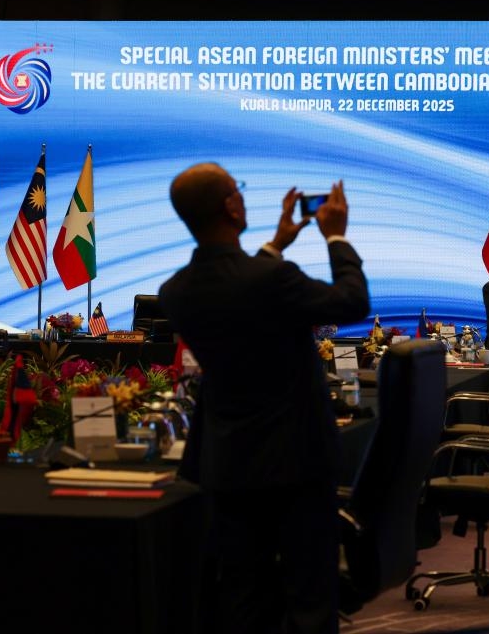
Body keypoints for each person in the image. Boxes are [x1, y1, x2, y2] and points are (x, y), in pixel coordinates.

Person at [158, 162, 369, 634]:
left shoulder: (176, 293)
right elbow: (352, 301)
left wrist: (275, 243)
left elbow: (238, 283)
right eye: (239, 190)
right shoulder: (272, 280)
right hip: (299, 466)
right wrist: (335, 237)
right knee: (310, 598)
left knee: (244, 597)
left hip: (229, 467)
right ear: (232, 206)